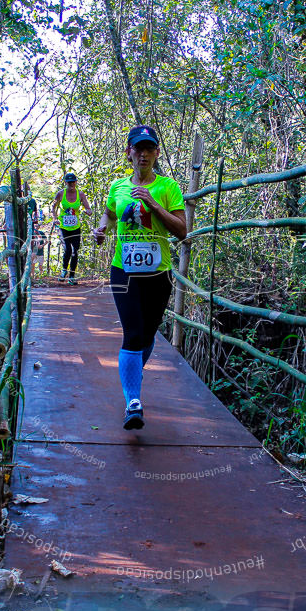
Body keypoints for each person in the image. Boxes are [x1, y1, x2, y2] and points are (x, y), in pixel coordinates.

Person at [92, 126, 186, 429]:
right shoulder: (117, 186)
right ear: (129, 152)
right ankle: (133, 402)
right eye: (138, 148)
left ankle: (132, 371)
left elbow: (181, 230)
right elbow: (110, 212)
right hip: (124, 271)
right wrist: (102, 227)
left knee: (147, 335)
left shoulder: (168, 187)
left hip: (158, 273)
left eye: (149, 149)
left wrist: (153, 203)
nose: (143, 154)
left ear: (157, 153)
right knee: (132, 333)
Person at [52, 172, 92, 285]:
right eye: (69, 182)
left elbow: (88, 208)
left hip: (75, 227)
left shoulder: (81, 194)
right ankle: (64, 270)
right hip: (63, 227)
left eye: (73, 182)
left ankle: (72, 276)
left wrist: (88, 211)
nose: (71, 184)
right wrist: (55, 218)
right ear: (65, 182)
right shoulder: (60, 194)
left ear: (76, 182)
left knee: (75, 252)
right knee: (68, 250)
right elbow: (53, 207)